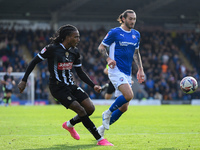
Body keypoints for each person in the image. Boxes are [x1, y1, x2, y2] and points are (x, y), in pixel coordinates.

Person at [17, 24, 113, 146]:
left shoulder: (75, 52)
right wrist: (24, 80)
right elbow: (33, 62)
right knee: (81, 110)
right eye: (76, 37)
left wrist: (93, 85)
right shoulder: (52, 49)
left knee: (90, 109)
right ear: (67, 37)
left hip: (71, 85)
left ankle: (69, 125)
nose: (78, 39)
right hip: (57, 88)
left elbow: (80, 72)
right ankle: (100, 139)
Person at [97, 9, 145, 137]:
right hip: (115, 70)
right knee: (129, 95)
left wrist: (140, 69)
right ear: (123, 19)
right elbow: (101, 47)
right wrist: (108, 59)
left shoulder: (136, 34)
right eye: (130, 19)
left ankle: (101, 129)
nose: (133, 21)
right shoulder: (115, 32)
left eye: (134, 19)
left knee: (124, 107)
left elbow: (136, 53)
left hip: (127, 72)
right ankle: (107, 113)